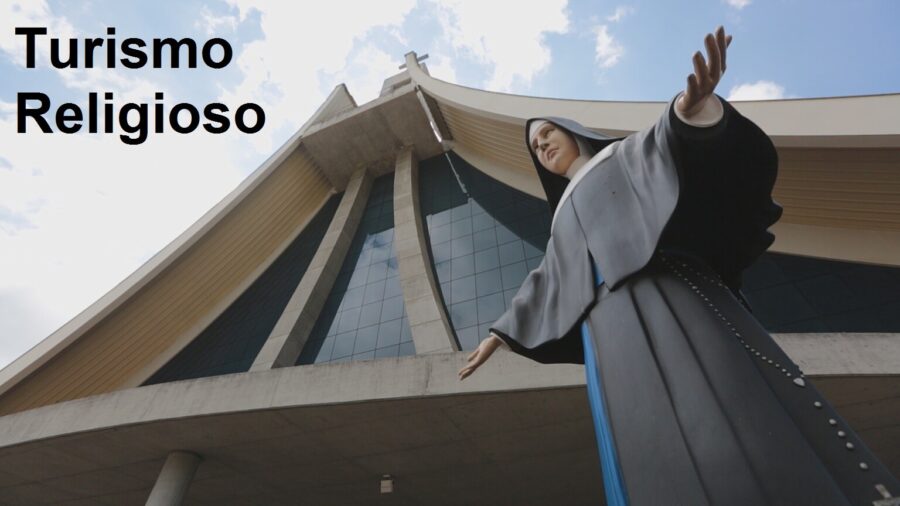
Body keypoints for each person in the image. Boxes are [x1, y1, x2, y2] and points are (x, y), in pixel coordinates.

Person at [458, 26, 899, 506]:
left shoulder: (620, 156)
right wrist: (500, 333)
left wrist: (689, 110)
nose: (542, 146)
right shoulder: (560, 216)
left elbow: (666, 141)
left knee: (722, 400)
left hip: (668, 287)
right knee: (637, 436)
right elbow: (546, 278)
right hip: (604, 327)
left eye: (547, 133)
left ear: (572, 133)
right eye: (536, 146)